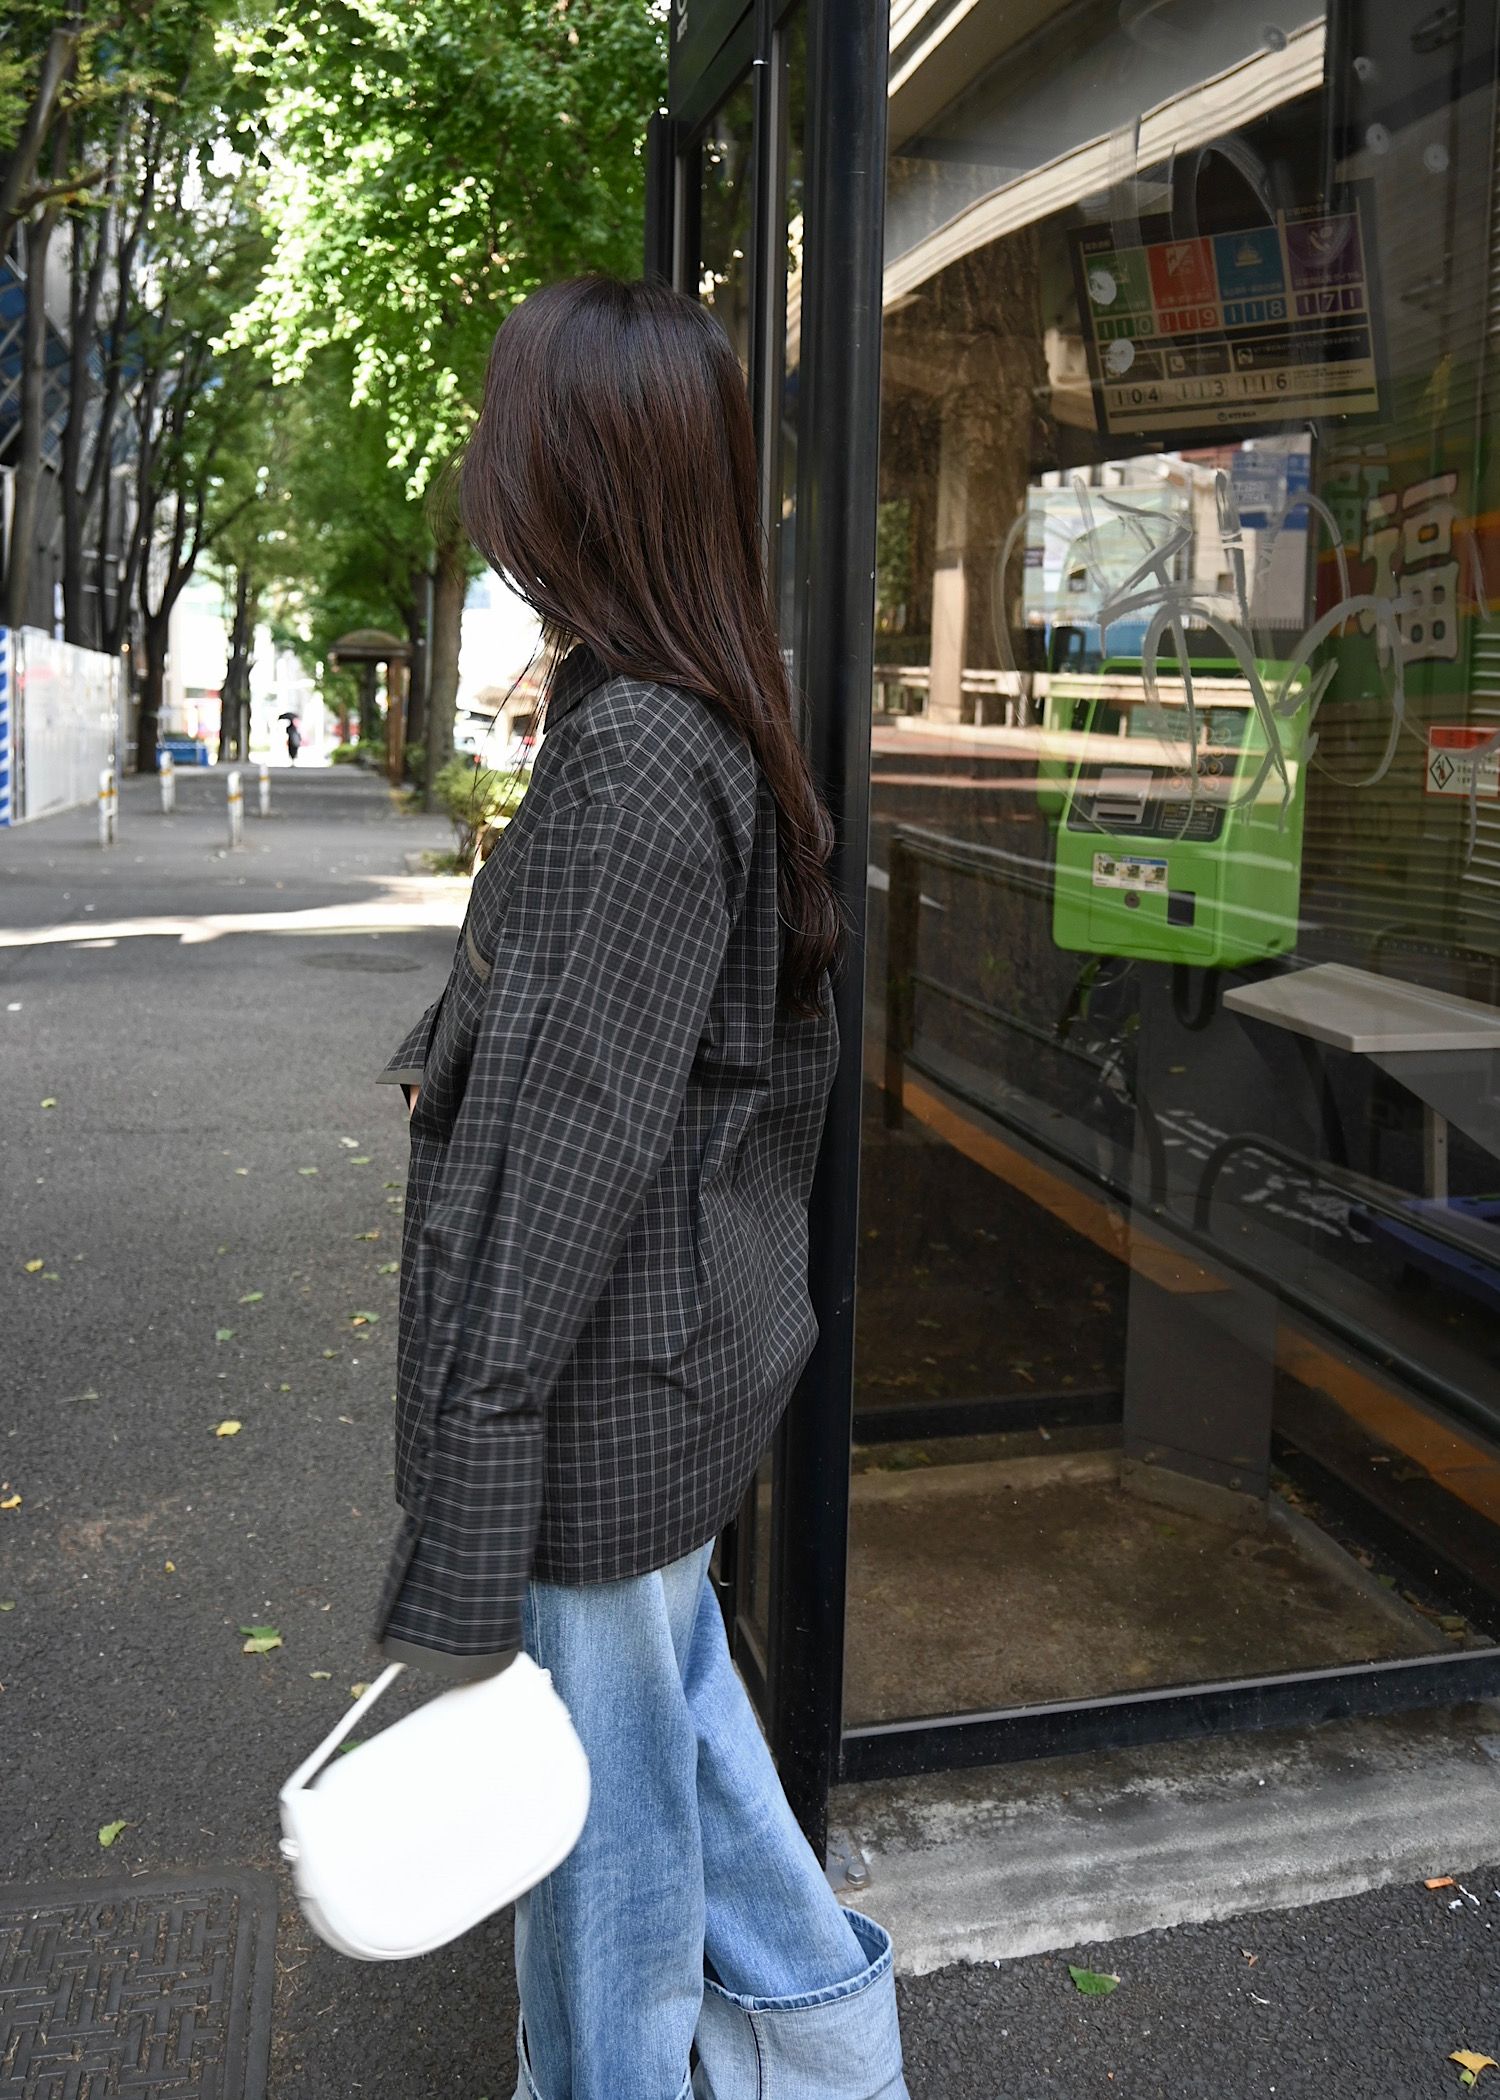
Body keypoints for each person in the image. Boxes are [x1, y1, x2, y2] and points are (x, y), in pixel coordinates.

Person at [372, 275, 910, 2100]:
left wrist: (477, 1449)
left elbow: (571, 1146)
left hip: (604, 1378)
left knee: (597, 1819)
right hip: (655, 1360)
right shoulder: (680, 714)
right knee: (677, 1735)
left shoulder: (638, 754)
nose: (484, 465)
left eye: (506, 431)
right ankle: (832, 2062)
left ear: (579, 475)